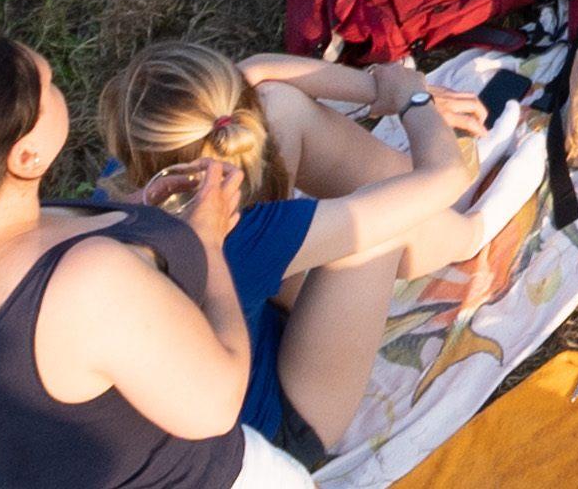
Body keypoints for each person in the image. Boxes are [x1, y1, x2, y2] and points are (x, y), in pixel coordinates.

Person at [0, 33, 266, 489]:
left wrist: (132, 218)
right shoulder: (89, 283)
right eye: (49, 85)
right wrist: (207, 244)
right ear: (26, 156)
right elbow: (216, 408)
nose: (59, 88)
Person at [87, 40, 533, 473]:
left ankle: (434, 202)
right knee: (376, 222)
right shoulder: (243, 237)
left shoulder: (122, 191)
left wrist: (379, 89)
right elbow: (443, 177)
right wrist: (414, 100)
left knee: (282, 108)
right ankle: (470, 233)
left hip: (243, 325)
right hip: (280, 427)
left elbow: (256, 72)